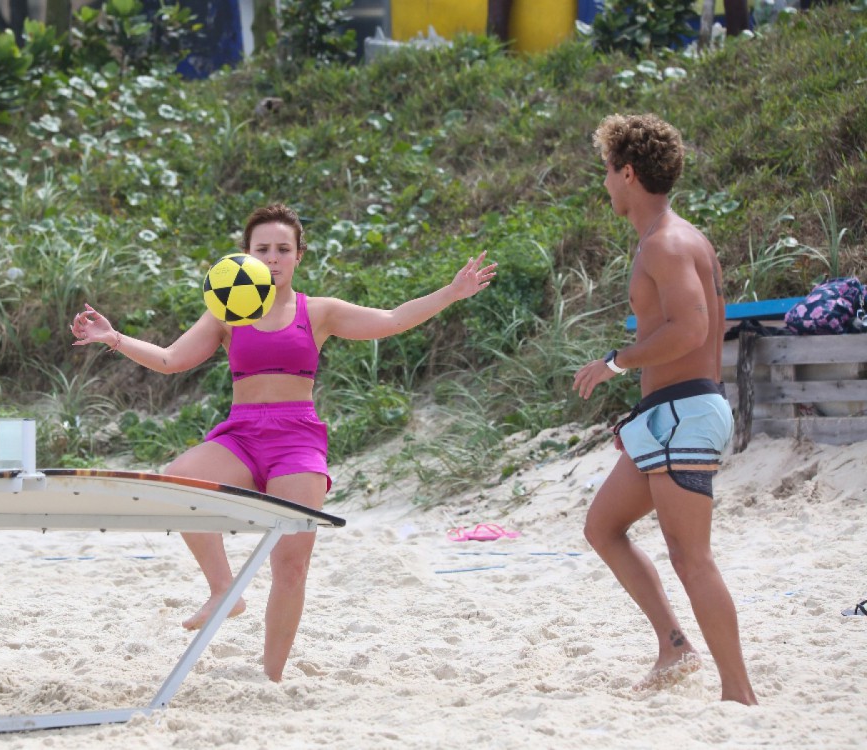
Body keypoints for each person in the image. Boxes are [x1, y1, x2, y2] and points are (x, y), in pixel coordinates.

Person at [71, 204, 496, 682]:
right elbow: (171, 359)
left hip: (297, 439)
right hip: (242, 434)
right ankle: (223, 589)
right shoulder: (226, 311)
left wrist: (453, 292)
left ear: (298, 256)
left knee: (291, 565)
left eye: (282, 250)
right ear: (245, 254)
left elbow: (393, 318)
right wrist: (114, 338)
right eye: (262, 249)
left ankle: (271, 676)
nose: (272, 258)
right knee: (178, 479)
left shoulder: (319, 311)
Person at [572, 114, 757, 705]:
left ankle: (739, 694)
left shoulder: (669, 242)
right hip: (669, 414)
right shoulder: (671, 238)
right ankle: (674, 643)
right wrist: (646, 411)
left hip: (684, 416)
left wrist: (616, 362)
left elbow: (694, 328)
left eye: (607, 171)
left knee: (690, 556)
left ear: (628, 173)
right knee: (602, 527)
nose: (604, 183)